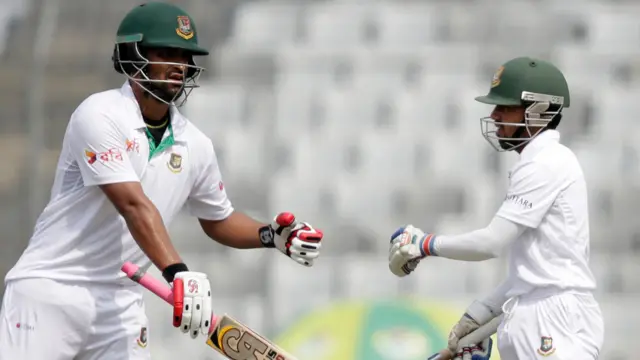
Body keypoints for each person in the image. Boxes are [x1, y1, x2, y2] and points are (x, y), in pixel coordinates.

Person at [0, 2, 323, 359]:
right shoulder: (99, 114)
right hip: (52, 289)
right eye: (166, 53)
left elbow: (219, 219)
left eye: (184, 56)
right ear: (133, 54)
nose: (178, 66)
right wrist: (178, 273)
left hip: (121, 303)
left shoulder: (195, 144)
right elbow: (133, 206)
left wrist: (270, 236)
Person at [388, 57, 604, 360]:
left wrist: (424, 244)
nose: (494, 115)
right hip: (536, 313)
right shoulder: (536, 162)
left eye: (505, 107)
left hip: (554, 321)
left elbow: (490, 243)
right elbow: (535, 273)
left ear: (538, 110)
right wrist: (481, 311)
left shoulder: (547, 163)